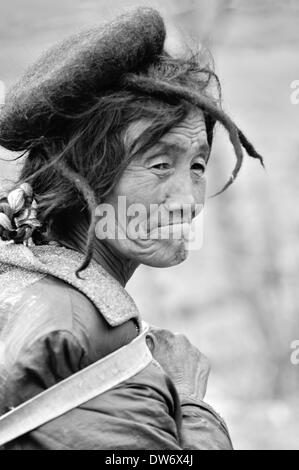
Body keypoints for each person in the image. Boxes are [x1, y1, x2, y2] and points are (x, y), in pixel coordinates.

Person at [0, 7, 263, 450]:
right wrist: (189, 400)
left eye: (197, 166)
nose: (189, 202)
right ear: (77, 175)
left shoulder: (23, 282)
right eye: (160, 164)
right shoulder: (79, 341)